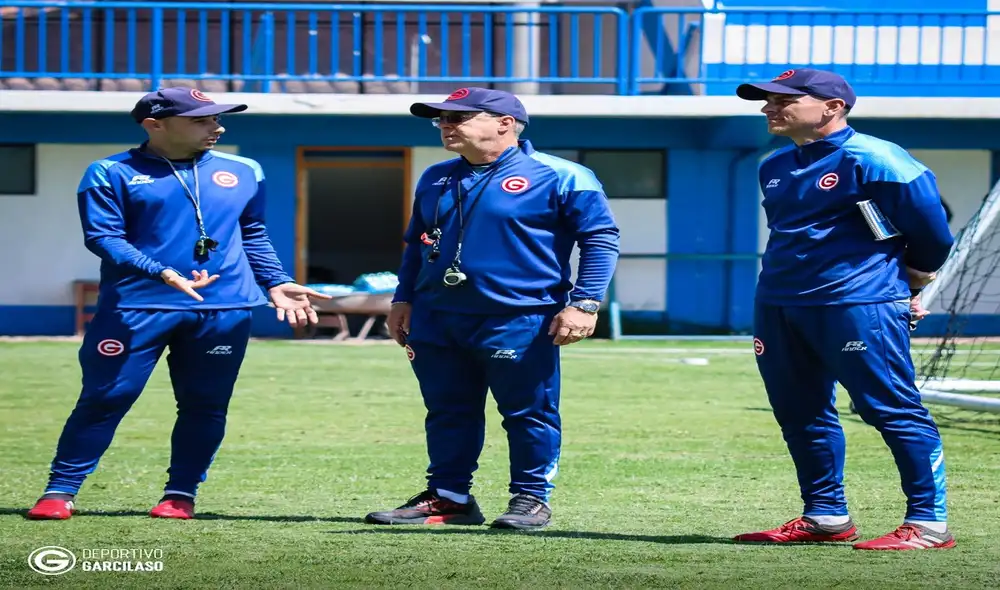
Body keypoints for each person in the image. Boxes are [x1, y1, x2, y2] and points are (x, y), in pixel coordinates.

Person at [26, 86, 330, 521]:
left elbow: (253, 233)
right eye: (202, 120)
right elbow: (103, 237)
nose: (217, 127)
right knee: (107, 396)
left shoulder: (245, 170)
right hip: (137, 306)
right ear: (155, 124)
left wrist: (276, 282)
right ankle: (59, 491)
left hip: (223, 309)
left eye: (218, 119)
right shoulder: (108, 172)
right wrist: (161, 271)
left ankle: (180, 494)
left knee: (205, 404)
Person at [364, 87, 620, 530]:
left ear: (505, 123)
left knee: (528, 411)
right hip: (437, 317)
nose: (446, 125)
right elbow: (415, 245)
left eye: (458, 117)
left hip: (520, 317)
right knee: (447, 409)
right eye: (441, 120)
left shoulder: (562, 175)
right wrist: (403, 298)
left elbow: (600, 239)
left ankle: (530, 499)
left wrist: (584, 302)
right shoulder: (436, 177)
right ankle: (449, 498)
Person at [730, 69, 956, 550]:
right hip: (779, 303)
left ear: (832, 106)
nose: (769, 107)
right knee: (799, 410)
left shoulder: (876, 158)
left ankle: (928, 524)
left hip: (858, 302)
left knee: (891, 409)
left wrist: (912, 278)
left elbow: (934, 235)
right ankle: (826, 515)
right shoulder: (773, 164)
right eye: (767, 100)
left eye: (783, 99)